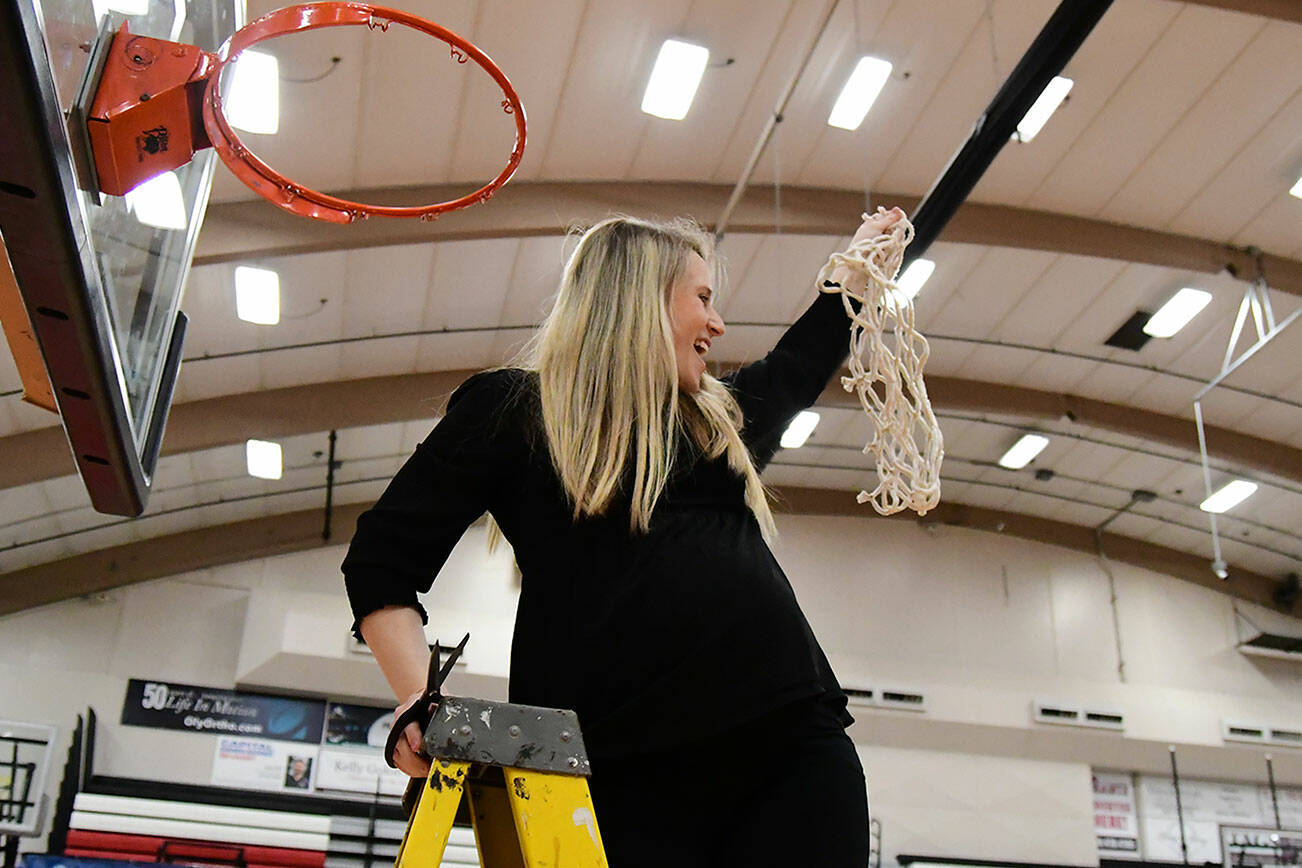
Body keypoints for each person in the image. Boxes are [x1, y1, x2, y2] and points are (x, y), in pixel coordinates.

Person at [342, 208, 905, 867]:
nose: (717, 325)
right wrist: (418, 695)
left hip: (786, 745)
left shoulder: (712, 424)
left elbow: (796, 366)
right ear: (641, 302)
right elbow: (382, 558)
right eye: (702, 299)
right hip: (617, 766)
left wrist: (857, 270)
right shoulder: (516, 411)